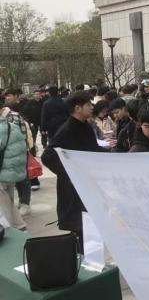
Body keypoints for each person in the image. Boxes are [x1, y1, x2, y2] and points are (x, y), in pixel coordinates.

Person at [41, 92, 108, 247]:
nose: (92, 107)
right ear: (77, 108)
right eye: (88, 105)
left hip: (88, 184)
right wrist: (70, 173)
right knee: (80, 229)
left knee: (91, 227)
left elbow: (91, 150)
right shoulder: (67, 130)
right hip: (73, 189)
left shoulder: (85, 126)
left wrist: (112, 153)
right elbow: (47, 156)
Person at [0, 114, 28, 230]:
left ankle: (9, 229)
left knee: (4, 206)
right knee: (9, 201)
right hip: (11, 171)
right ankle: (20, 226)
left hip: (2, 172)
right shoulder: (12, 126)